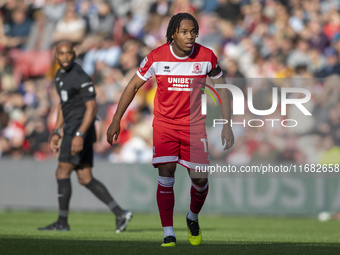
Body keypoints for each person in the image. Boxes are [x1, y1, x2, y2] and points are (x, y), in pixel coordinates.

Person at [106, 13, 234, 246]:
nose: (190, 36)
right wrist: (116, 119)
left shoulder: (207, 57)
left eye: (193, 31)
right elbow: (133, 85)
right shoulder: (156, 57)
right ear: (173, 33)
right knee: (166, 175)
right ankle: (168, 233)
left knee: (200, 180)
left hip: (194, 127)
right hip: (165, 125)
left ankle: (192, 217)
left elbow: (223, 89)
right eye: (184, 32)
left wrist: (227, 124)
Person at [38, 40, 132, 233]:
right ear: (56, 56)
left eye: (68, 53)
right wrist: (56, 131)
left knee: (62, 172)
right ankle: (120, 213)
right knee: (84, 177)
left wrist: (79, 134)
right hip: (71, 128)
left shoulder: (80, 76)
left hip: (80, 127)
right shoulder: (59, 75)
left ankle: (62, 223)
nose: (65, 57)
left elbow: (92, 107)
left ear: (74, 54)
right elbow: (62, 105)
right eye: (61, 54)